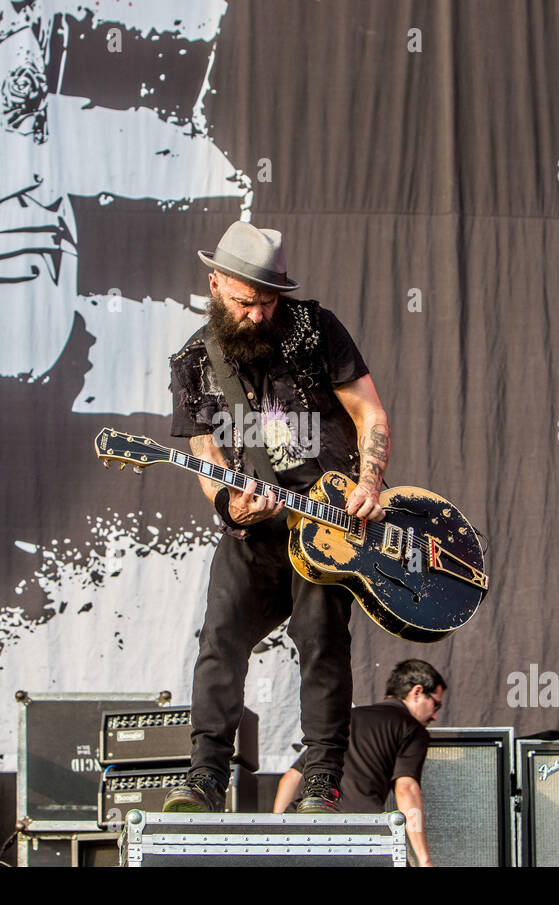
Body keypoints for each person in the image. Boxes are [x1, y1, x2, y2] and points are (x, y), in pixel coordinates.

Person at [163, 221, 390, 813]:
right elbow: (205, 455)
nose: (260, 314)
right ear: (215, 285)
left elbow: (369, 413)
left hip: (326, 526)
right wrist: (228, 502)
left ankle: (321, 779)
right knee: (220, 640)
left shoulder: (316, 329)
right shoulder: (192, 362)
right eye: (246, 301)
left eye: (269, 301)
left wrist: (369, 480)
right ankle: (206, 778)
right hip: (254, 530)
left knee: (321, 643)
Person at [273, 659, 445, 866]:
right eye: (436, 704)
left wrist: (278, 832)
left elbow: (291, 778)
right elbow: (406, 788)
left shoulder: (346, 718)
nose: (435, 715)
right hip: (359, 828)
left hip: (304, 824)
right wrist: (424, 860)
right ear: (416, 692)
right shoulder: (412, 729)